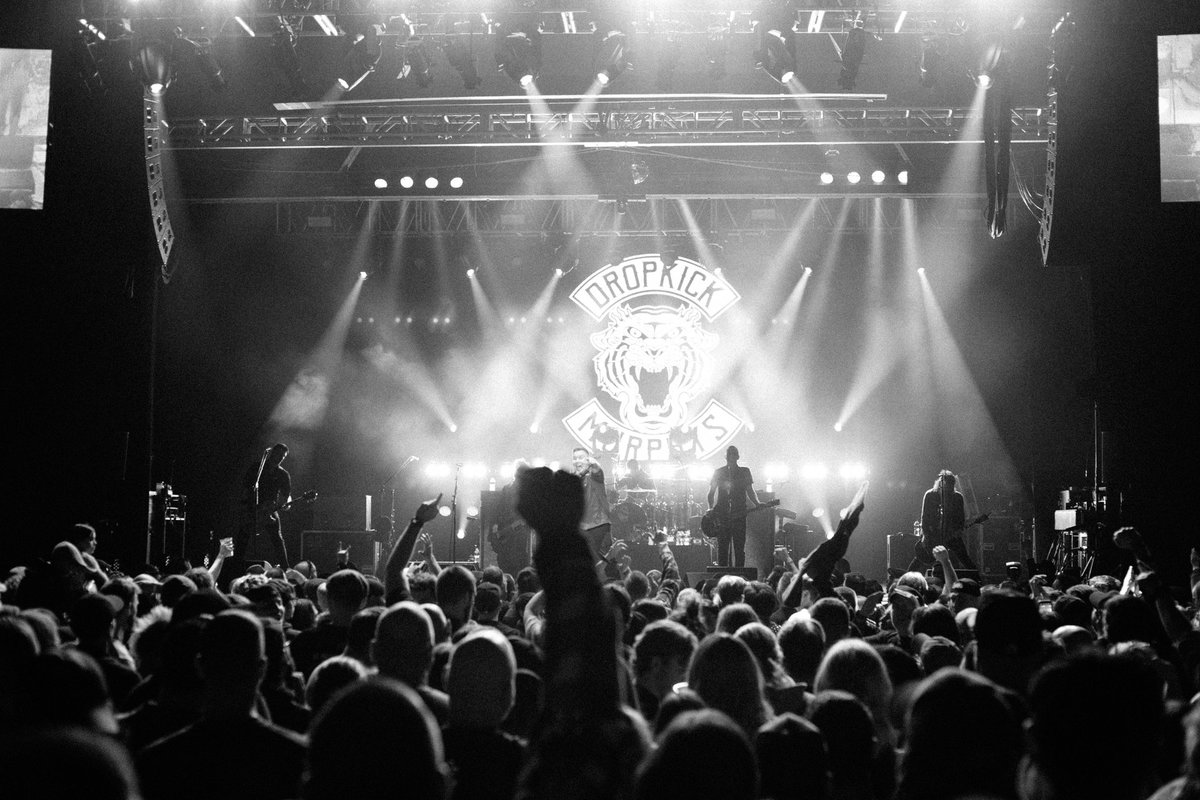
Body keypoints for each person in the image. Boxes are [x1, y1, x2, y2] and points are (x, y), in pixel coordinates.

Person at [237, 443, 292, 569]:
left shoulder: (283, 475)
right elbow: (245, 487)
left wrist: (283, 504)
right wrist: (244, 507)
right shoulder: (257, 467)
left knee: (277, 538)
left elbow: (286, 495)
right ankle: (236, 563)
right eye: (278, 454)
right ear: (272, 453)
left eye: (282, 457)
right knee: (243, 536)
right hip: (252, 507)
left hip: (269, 509)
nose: (280, 458)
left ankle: (285, 567)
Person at [912, 470, 977, 571]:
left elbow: (961, 518)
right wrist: (925, 535)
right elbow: (925, 517)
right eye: (946, 486)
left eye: (950, 486)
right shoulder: (930, 495)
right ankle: (904, 582)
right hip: (932, 535)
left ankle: (977, 581)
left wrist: (958, 530)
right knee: (921, 558)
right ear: (940, 484)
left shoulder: (957, 497)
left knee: (964, 558)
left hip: (950, 535)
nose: (948, 489)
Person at [707, 446, 760, 568]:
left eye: (733, 454)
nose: (731, 456)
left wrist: (757, 503)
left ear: (737, 456)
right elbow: (711, 493)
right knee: (723, 548)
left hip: (739, 514)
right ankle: (722, 576)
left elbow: (750, 490)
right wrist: (710, 508)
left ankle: (740, 577)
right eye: (729, 454)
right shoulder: (719, 472)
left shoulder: (744, 471)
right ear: (726, 457)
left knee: (739, 548)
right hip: (723, 515)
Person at [573, 446, 612, 561]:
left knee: (596, 562)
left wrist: (592, 464)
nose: (577, 461)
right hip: (581, 527)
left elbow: (596, 469)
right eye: (575, 458)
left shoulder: (594, 477)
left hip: (597, 526)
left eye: (581, 458)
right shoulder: (573, 479)